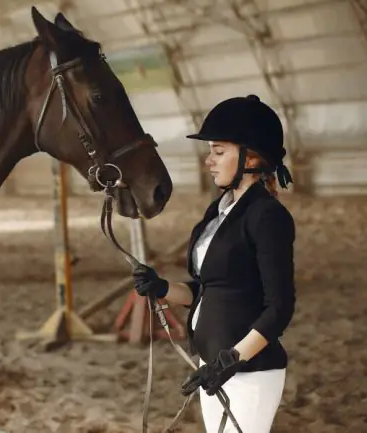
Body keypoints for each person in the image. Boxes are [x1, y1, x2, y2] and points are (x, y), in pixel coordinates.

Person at [132, 94, 296, 433]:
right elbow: (209, 290)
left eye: (219, 152)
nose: (209, 161)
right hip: (211, 366)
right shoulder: (219, 211)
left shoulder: (267, 216)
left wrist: (232, 359)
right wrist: (162, 288)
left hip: (249, 373)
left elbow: (279, 307)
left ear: (252, 157)